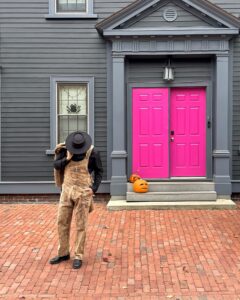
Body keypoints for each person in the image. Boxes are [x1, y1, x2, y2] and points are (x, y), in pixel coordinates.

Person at [49, 131, 103, 269]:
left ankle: (78, 255)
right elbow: (56, 165)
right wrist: (67, 158)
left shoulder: (93, 152)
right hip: (66, 191)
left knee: (81, 225)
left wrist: (94, 188)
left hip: (83, 193)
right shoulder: (64, 150)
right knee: (62, 222)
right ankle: (63, 253)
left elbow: (99, 171)